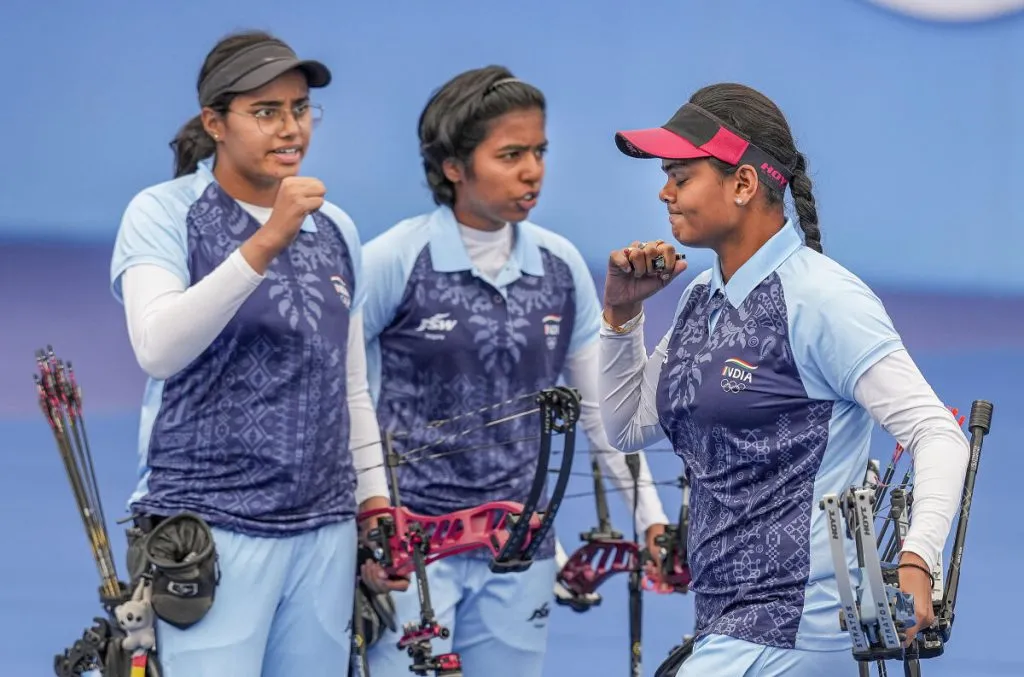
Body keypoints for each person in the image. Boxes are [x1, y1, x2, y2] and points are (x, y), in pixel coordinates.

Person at [597, 83, 971, 676]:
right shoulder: (701, 297)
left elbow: (938, 434)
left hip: (797, 634)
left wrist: (916, 561)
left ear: (743, 184)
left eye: (681, 176)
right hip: (727, 627)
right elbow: (627, 427)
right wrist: (621, 319)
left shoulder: (825, 300)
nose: (664, 193)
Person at [359, 65, 671, 677]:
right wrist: (365, 526)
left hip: (519, 549)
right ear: (454, 166)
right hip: (412, 555)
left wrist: (651, 520)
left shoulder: (559, 268)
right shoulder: (395, 259)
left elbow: (600, 412)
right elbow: (347, 397)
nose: (533, 171)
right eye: (510, 155)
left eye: (539, 151)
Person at [108, 30, 401, 677]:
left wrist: (375, 505)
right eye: (265, 111)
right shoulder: (164, 212)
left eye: (299, 109)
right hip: (211, 528)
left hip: (324, 531)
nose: (290, 127)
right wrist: (266, 240)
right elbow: (157, 346)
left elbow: (349, 386)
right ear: (215, 121)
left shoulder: (338, 229)